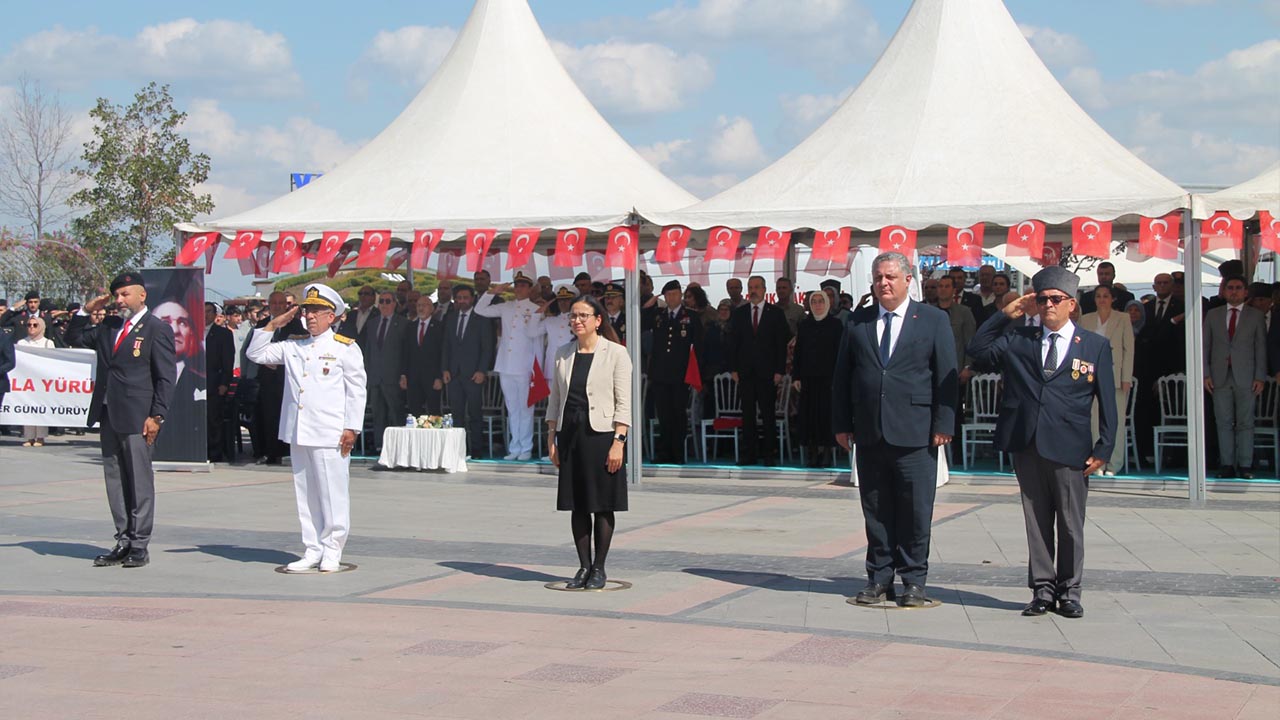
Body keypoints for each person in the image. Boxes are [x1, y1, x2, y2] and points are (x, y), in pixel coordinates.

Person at [967, 266, 1115, 619]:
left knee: (1069, 522)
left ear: (1071, 305)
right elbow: (978, 349)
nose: (1048, 305)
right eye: (1042, 299)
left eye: (1055, 299)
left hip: (1071, 447)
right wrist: (1007, 314)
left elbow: (1107, 402)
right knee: (1035, 521)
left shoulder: (1094, 346)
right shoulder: (1020, 340)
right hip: (1028, 443)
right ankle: (1043, 590)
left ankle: (1070, 590)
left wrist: (1104, 448)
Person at [833, 252, 958, 607]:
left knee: (916, 510)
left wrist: (943, 424)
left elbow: (946, 375)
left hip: (917, 433)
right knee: (876, 509)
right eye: (878, 278)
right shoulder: (859, 321)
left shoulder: (932, 320)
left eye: (890, 277)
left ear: (907, 281)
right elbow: (843, 376)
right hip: (870, 431)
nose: (883, 283)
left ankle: (914, 581)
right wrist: (842, 423)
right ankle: (879, 578)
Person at [247, 284, 366, 573]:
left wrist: (352, 427)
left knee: (332, 493)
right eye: (307, 311)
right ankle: (312, 548)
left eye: (317, 312)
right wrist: (274, 323)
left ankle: (333, 548)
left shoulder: (344, 347)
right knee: (306, 494)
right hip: (300, 431)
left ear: (332, 316)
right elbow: (256, 353)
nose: (310, 316)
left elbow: (357, 390)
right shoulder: (294, 346)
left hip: (330, 431)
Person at [65, 272, 177, 569]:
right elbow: (73, 337)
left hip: (138, 416)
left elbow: (166, 377)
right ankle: (124, 538)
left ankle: (140, 543)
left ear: (142, 296)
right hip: (108, 412)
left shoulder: (156, 329)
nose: (119, 300)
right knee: (115, 480)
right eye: (116, 295)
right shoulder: (109, 325)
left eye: (125, 294)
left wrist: (157, 415)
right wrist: (86, 311)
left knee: (139, 480)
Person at [546, 295, 632, 590]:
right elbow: (555, 398)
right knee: (577, 504)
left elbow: (624, 402)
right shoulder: (562, 353)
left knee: (602, 504)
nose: (577, 321)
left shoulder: (616, 354)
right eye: (573, 316)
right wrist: (551, 435)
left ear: (598, 320)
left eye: (583, 316)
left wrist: (619, 441)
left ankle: (599, 568)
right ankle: (583, 566)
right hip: (571, 434)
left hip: (603, 435)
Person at [1204, 276, 1267, 479]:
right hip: (1220, 375)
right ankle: (1227, 464)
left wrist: (1260, 376)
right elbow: (1205, 346)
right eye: (1230, 288)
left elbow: (1261, 348)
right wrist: (1205, 374)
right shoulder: (1213, 315)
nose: (1234, 291)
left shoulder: (1255, 316)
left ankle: (1245, 464)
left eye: (1238, 288)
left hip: (1247, 376)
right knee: (1223, 421)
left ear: (1246, 292)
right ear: (1223, 291)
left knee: (1246, 422)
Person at [474, 271, 540, 460]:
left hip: (525, 365)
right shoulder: (506, 306)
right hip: (505, 364)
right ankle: (515, 447)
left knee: (526, 408)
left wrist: (537, 367)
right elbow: (480, 310)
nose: (519, 288)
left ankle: (526, 448)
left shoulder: (535, 309)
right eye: (517, 285)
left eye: (523, 285)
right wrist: (492, 292)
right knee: (512, 408)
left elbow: (536, 341)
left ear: (530, 289)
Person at [729, 275, 791, 466]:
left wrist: (779, 371)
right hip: (746, 372)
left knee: (767, 414)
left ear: (764, 290)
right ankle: (749, 453)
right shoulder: (740, 313)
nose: (754, 290)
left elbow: (781, 344)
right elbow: (733, 343)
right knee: (747, 414)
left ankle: (769, 454)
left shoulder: (775, 313)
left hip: (768, 372)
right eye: (751, 287)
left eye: (757, 287)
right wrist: (733, 369)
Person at [1079, 285, 1134, 476]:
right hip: (1091, 375)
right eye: (1098, 296)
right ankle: (1096, 462)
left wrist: (1126, 377)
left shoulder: (1123, 318)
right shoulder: (1085, 319)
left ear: (1113, 299)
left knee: (1115, 420)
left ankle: (1114, 463)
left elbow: (1129, 349)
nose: (1102, 299)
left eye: (1105, 296)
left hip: (1115, 376)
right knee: (1093, 421)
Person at [649, 279, 701, 464]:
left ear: (681, 295)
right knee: (663, 415)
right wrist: (649, 304)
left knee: (678, 415)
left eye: (675, 294)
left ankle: (678, 453)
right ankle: (664, 453)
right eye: (668, 295)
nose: (671, 298)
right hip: (661, 374)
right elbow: (638, 318)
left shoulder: (691, 317)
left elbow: (699, 347)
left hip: (681, 375)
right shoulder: (658, 316)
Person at [442, 284, 496, 458]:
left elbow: (487, 347)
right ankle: (458, 451)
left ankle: (477, 451)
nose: (462, 301)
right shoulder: (450, 318)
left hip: (474, 374)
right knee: (456, 415)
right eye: (459, 298)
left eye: (465, 297)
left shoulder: (482, 318)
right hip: (454, 374)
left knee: (474, 414)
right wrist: (445, 369)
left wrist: (482, 370)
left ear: (472, 299)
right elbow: (446, 347)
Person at [792, 290, 842, 467]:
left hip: (828, 379)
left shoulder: (835, 325)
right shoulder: (805, 325)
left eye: (821, 301)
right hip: (808, 378)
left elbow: (839, 354)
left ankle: (827, 452)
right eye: (814, 302)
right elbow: (799, 353)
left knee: (826, 416)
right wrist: (796, 376)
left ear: (828, 303)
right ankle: (813, 452)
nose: (818, 305)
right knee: (810, 416)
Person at [253, 292, 304, 465]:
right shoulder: (261, 324)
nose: (276, 306)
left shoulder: (296, 326)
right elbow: (252, 350)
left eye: (280, 303)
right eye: (273, 303)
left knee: (286, 415)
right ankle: (269, 451)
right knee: (267, 415)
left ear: (286, 306)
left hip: (286, 378)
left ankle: (285, 451)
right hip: (267, 378)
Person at [364, 291, 408, 454]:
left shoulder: (403, 323)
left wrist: (404, 374)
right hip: (375, 377)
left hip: (394, 376)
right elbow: (369, 351)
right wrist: (367, 374)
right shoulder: (372, 323)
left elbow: (406, 352)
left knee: (396, 413)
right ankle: (379, 446)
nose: (384, 304)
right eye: (381, 301)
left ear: (394, 304)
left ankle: (398, 448)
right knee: (378, 414)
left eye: (387, 301)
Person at [937, 276, 977, 442]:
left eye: (947, 286)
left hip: (956, 370)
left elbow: (971, 341)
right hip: (933, 369)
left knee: (955, 411)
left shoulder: (964, 312)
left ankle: (958, 451)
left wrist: (967, 367)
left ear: (954, 290)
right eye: (940, 286)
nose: (942, 289)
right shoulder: (929, 311)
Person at [401, 295, 445, 416]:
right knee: (415, 410)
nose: (421, 308)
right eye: (419, 305)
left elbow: (442, 353)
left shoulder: (439, 327)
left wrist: (439, 376)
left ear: (432, 309)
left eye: (424, 305)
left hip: (432, 377)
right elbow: (406, 352)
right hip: (413, 377)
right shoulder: (410, 327)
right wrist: (404, 374)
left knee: (434, 410)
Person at [204, 302, 235, 462]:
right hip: (196, 381)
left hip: (214, 383)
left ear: (215, 314)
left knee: (213, 419)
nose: (205, 315)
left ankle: (215, 452)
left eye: (208, 312)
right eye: (202, 312)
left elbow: (228, 362)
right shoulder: (193, 332)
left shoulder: (223, 334)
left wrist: (224, 383)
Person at [17, 316, 56, 447]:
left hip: (42, 382)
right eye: (29, 325)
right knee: (27, 407)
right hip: (26, 381)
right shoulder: (22, 343)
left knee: (40, 408)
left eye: (35, 325)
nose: (31, 328)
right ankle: (29, 437)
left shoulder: (48, 343)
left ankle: (40, 436)